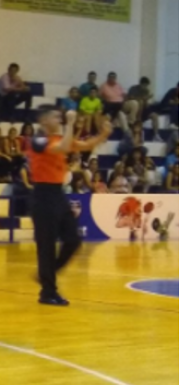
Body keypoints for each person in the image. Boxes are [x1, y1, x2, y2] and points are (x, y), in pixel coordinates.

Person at [28, 106, 112, 305]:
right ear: (44, 121)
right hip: (43, 195)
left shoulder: (60, 139)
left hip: (58, 193)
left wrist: (104, 134)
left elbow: (85, 145)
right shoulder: (38, 140)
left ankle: (48, 273)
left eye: (60, 117)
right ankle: (48, 292)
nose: (60, 119)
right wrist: (71, 124)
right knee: (47, 246)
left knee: (73, 239)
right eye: (55, 117)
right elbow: (64, 148)